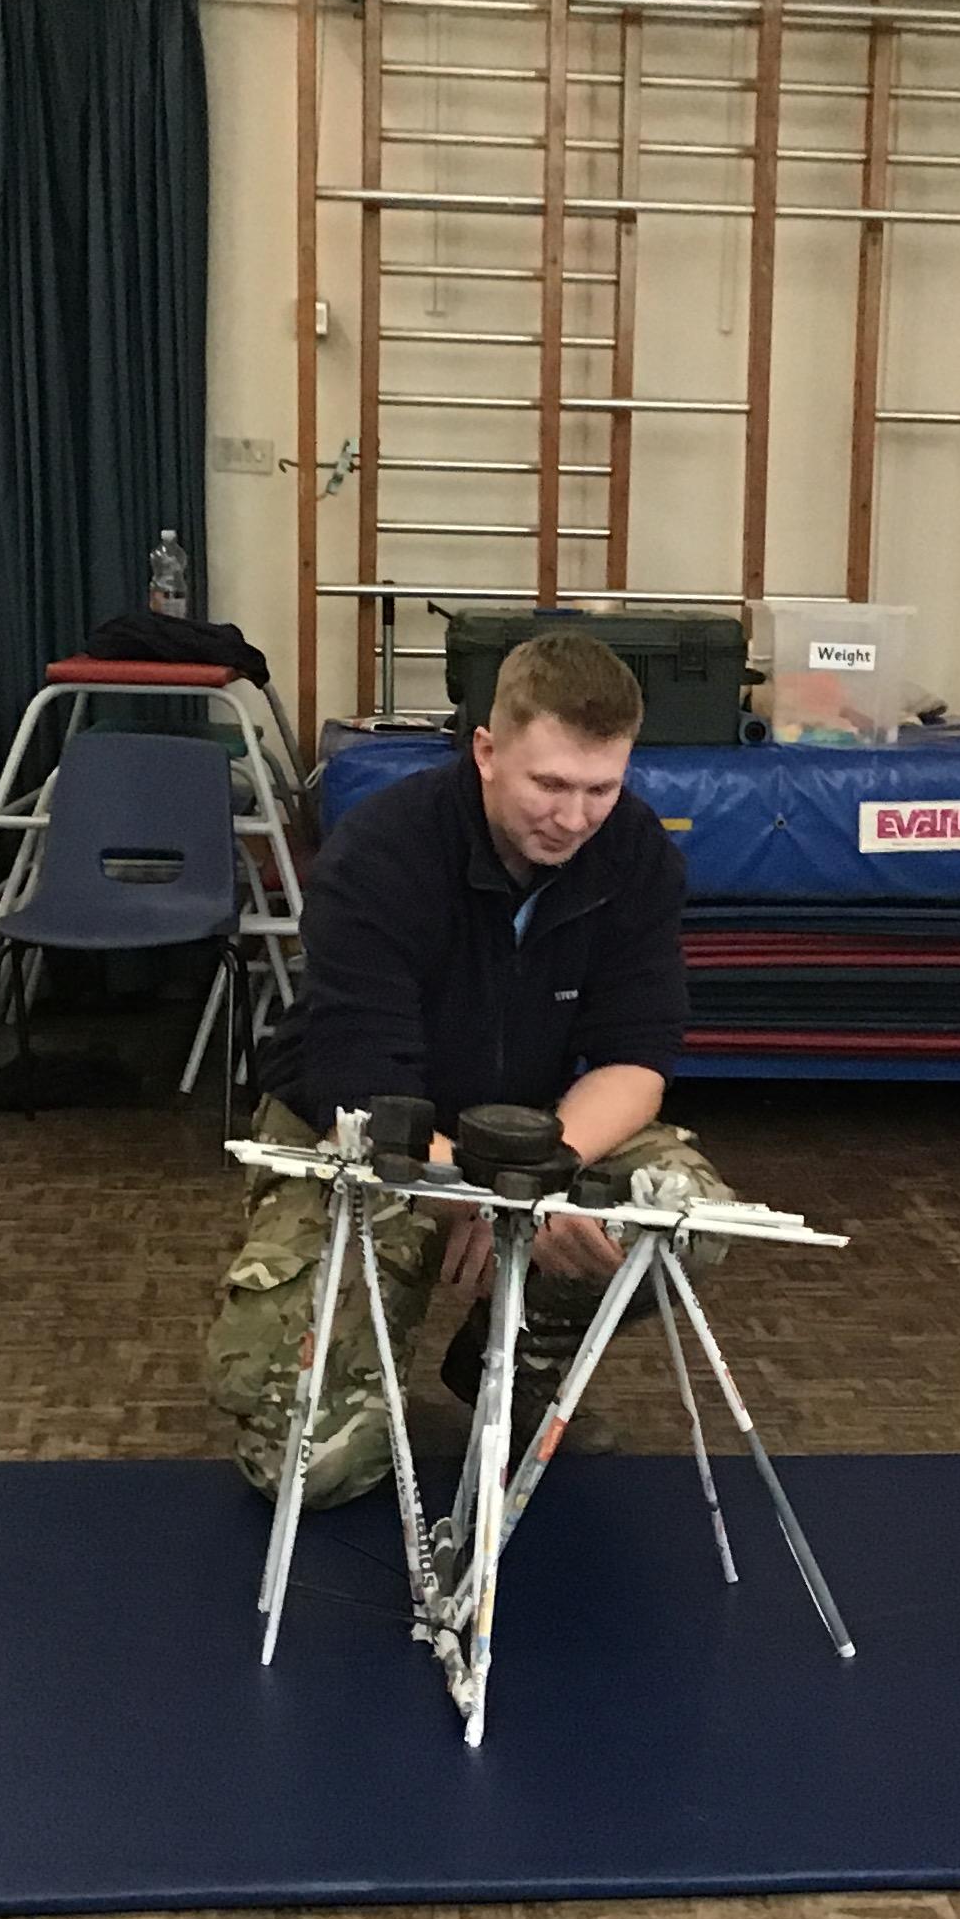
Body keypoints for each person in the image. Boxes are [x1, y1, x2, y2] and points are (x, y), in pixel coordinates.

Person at [207, 629, 727, 1506]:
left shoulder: (634, 852)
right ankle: (359, 1374)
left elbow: (637, 1061)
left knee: (684, 1215)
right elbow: (365, 1093)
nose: (574, 818)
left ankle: (512, 1359)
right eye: (549, 785)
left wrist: (535, 1180)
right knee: (317, 1471)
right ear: (487, 751)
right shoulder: (384, 850)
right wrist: (490, 1195)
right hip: (358, 1132)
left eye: (601, 788)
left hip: (527, 1137)